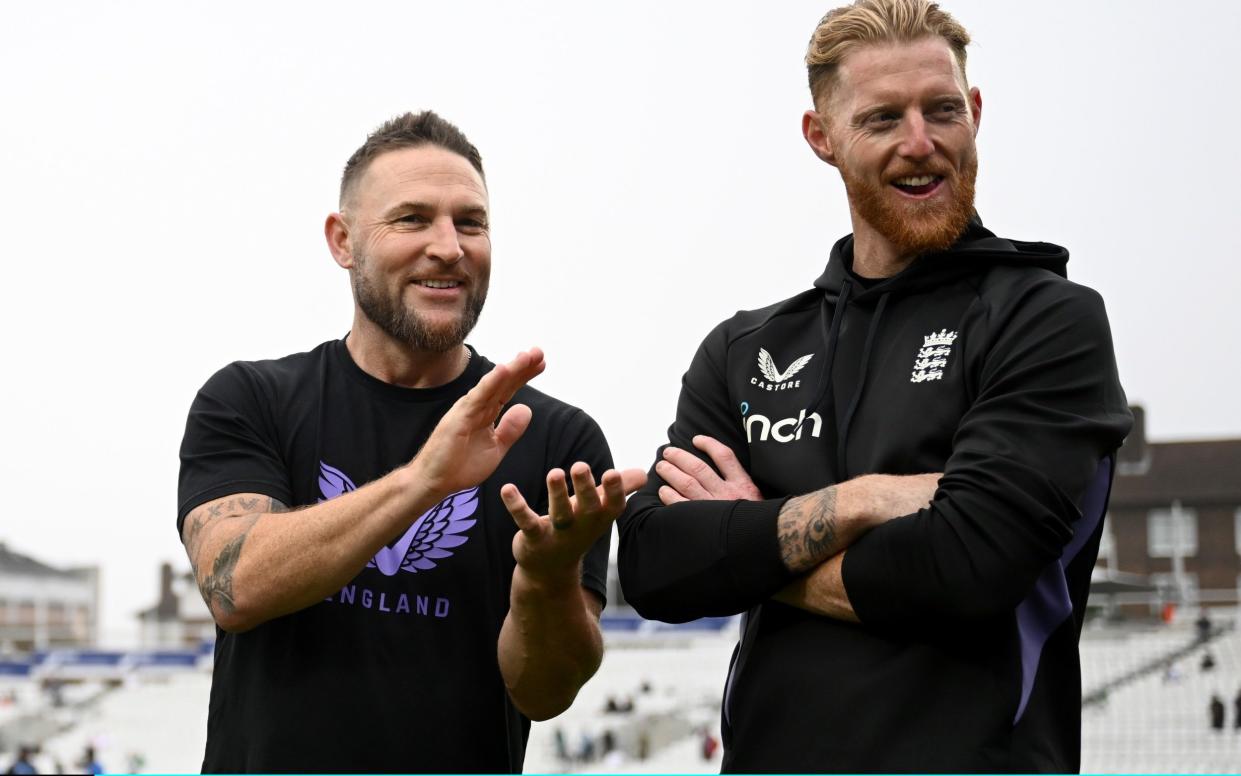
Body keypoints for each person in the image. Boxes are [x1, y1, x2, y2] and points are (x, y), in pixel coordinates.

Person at [616, 0, 1131, 771]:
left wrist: (750, 539)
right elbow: (656, 565)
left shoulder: (1045, 319)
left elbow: (965, 570)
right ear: (821, 138)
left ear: (976, 113)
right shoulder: (747, 348)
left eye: (942, 109)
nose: (919, 144)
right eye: (882, 118)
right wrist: (861, 503)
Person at [177, 111, 644, 772]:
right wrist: (423, 480)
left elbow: (543, 694)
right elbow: (235, 590)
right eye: (412, 219)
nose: (449, 247)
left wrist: (545, 579)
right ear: (342, 241)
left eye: (471, 223)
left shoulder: (556, 438)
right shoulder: (251, 400)